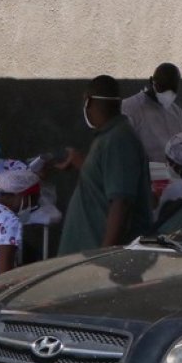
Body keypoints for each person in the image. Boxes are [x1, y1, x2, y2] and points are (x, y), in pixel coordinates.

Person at [56, 76, 153, 255]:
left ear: (88, 101)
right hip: (85, 259)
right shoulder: (108, 137)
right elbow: (107, 177)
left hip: (98, 261)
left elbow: (121, 202)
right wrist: (82, 164)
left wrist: (105, 255)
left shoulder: (119, 139)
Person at [122, 63, 182, 165]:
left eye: (172, 88)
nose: (167, 92)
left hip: (173, 175)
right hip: (144, 175)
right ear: (151, 81)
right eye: (163, 87)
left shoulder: (177, 112)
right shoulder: (129, 108)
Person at [0, 169, 38, 274]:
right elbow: (4, 271)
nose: (34, 205)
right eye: (33, 199)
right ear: (22, 195)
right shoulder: (10, 221)